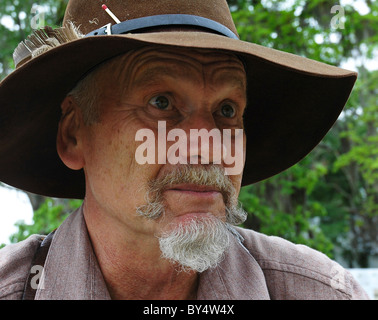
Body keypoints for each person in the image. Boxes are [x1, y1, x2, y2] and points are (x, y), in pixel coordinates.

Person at [0, 0, 368, 300]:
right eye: (161, 103)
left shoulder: (322, 292)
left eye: (227, 111)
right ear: (73, 135)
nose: (206, 146)